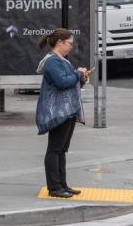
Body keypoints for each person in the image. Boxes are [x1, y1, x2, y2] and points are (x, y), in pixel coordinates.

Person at [36, 29, 92, 199]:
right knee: (55, 149)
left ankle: (62, 185)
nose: (71, 47)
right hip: (58, 111)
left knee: (61, 149)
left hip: (67, 111)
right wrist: (77, 74)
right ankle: (54, 187)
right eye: (69, 43)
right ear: (60, 42)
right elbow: (62, 82)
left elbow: (70, 80)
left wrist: (81, 76)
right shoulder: (52, 62)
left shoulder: (62, 61)